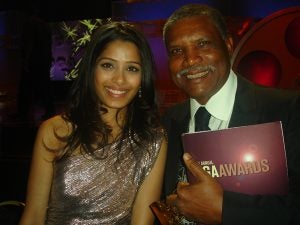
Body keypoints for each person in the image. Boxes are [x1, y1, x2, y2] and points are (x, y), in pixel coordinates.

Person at [161, 4, 300, 225]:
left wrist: (226, 211)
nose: (190, 60)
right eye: (177, 51)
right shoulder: (168, 122)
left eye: (203, 44)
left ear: (227, 45)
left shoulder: (288, 110)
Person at [19, 21, 167, 225]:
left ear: (143, 77)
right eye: (108, 65)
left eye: (132, 69)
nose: (119, 80)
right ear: (91, 69)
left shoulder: (152, 141)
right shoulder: (55, 131)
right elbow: (33, 216)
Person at [17, 7, 55, 121]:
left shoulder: (30, 23)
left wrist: (26, 60)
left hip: (34, 60)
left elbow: (30, 43)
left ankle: (23, 113)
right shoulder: (45, 25)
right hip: (44, 59)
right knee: (44, 86)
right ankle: (49, 110)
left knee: (25, 87)